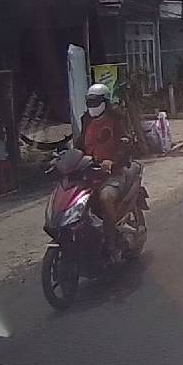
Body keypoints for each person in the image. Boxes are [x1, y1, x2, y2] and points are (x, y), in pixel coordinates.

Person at [73, 83, 132, 260]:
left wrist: (113, 161)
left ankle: (111, 243)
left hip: (112, 174)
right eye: (89, 102)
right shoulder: (86, 120)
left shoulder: (116, 120)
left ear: (105, 102)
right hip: (90, 173)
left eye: (96, 101)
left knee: (106, 198)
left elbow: (125, 144)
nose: (92, 105)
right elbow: (79, 144)